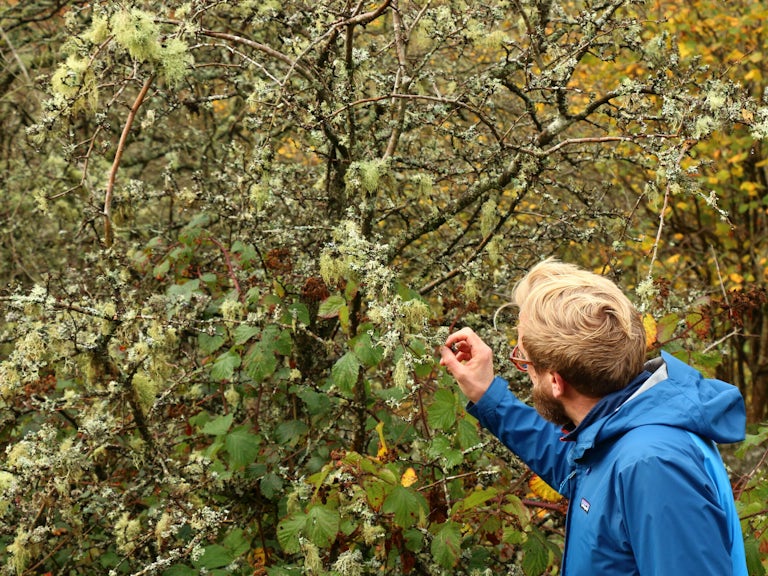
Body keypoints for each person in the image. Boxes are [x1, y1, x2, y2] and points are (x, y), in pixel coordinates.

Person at [439, 258, 748, 575]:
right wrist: (488, 394)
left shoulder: (652, 465)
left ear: (556, 381)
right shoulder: (623, 431)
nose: (525, 369)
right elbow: (574, 464)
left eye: (523, 361)